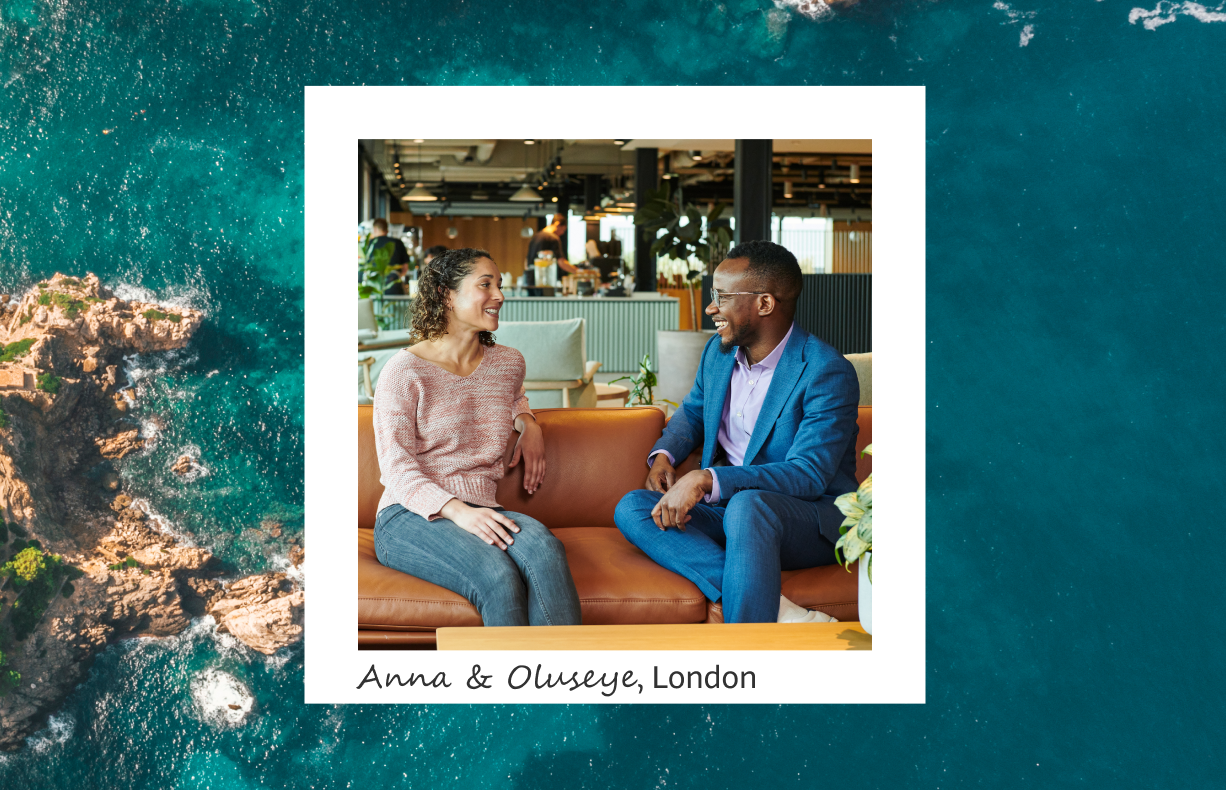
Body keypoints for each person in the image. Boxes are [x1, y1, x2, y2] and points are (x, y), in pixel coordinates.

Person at [613, 240, 860, 624]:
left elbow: (808, 474)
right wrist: (665, 456)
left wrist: (706, 478)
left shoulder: (826, 371)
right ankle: (776, 608)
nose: (711, 308)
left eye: (722, 297)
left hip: (806, 520)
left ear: (764, 303)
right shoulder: (719, 353)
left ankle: (744, 657)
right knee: (633, 507)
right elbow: (694, 410)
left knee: (749, 506)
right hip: (730, 514)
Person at [372, 248, 583, 626]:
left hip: (483, 505)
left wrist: (528, 423)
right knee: (498, 576)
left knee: (547, 552)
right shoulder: (403, 371)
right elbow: (396, 467)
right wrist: (459, 512)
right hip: (408, 515)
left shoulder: (508, 362)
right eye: (485, 284)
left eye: (499, 285)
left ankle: (557, 680)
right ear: (445, 295)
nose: (499, 295)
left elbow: (511, 396)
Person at [364, 218, 412, 295]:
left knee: (375, 306)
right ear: (387, 229)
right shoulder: (398, 243)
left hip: (374, 284)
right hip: (393, 282)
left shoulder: (370, 244)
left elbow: (365, 267)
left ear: (375, 229)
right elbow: (405, 268)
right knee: (395, 306)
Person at [524, 215, 577, 285]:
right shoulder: (553, 238)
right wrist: (578, 271)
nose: (562, 233)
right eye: (563, 230)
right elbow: (561, 262)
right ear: (557, 224)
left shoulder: (535, 236)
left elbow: (526, 261)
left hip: (528, 280)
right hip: (543, 281)